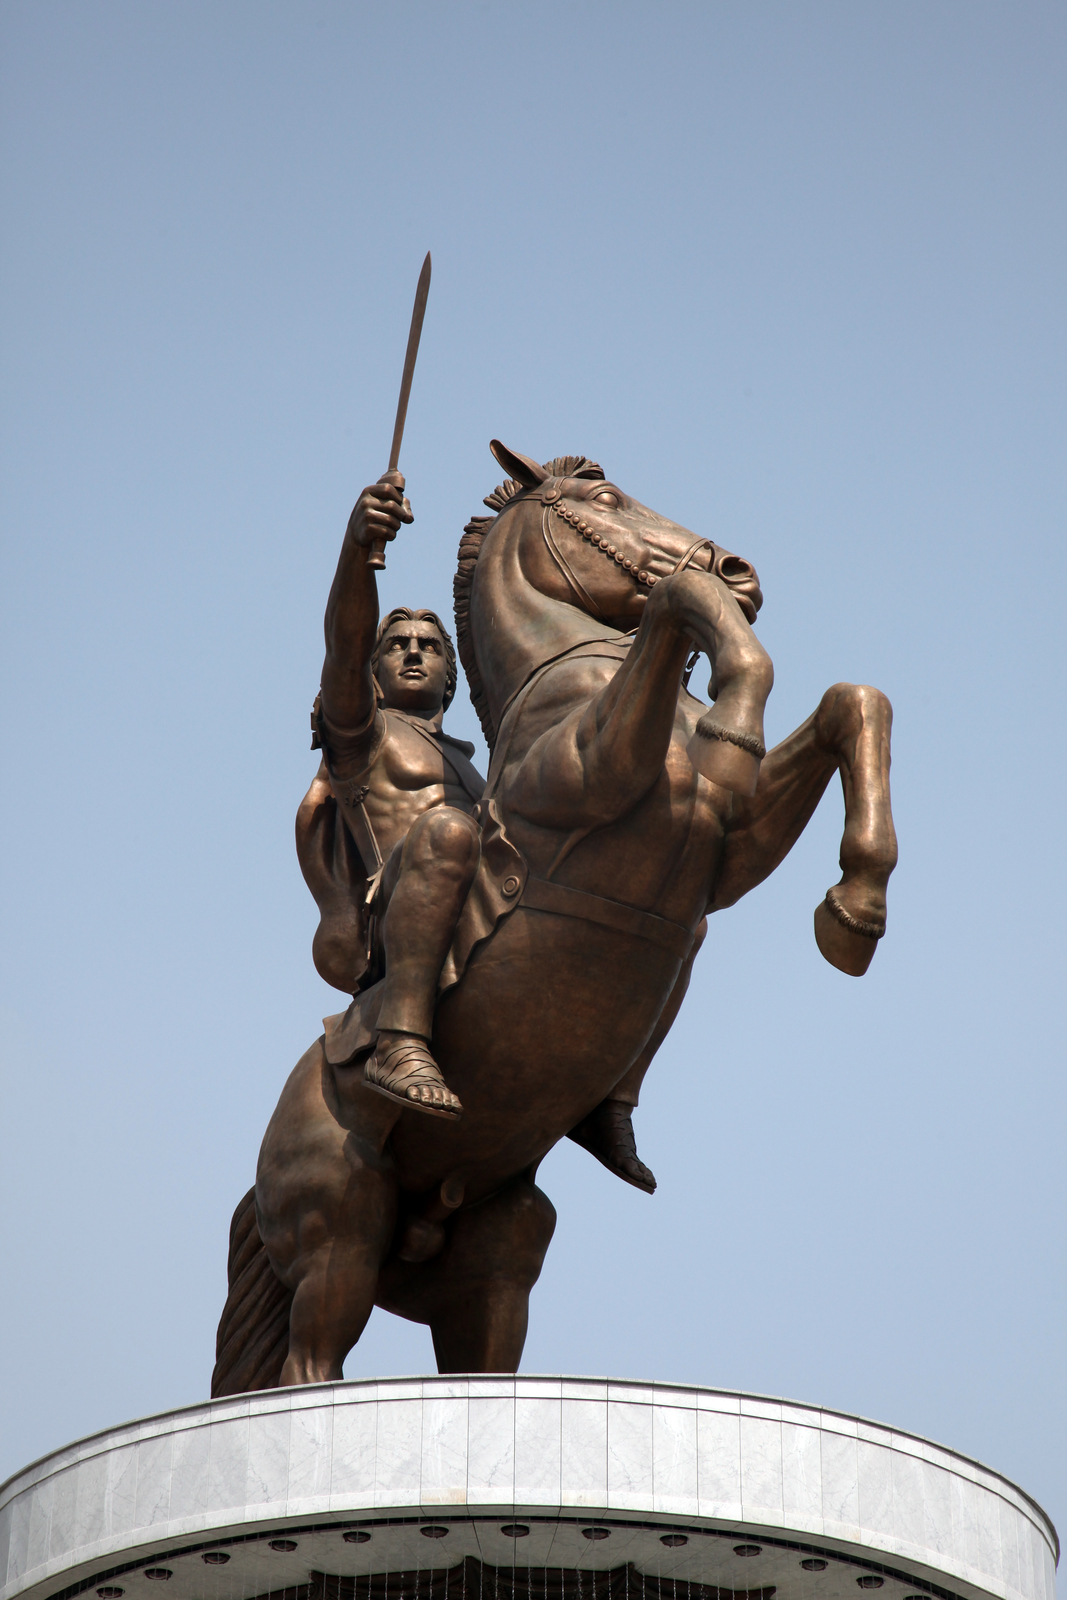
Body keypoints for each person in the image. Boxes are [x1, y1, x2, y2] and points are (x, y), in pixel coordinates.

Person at [298, 470, 663, 1184]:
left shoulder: (485, 765)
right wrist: (355, 549)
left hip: (483, 902)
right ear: (372, 676)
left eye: (428, 646)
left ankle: (610, 1097)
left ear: (450, 679)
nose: (411, 650)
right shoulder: (362, 738)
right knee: (448, 832)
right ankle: (401, 1037)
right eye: (395, 644)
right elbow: (341, 647)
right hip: (401, 917)